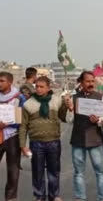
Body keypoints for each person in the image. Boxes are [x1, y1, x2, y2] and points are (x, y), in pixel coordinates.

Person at [19, 76, 67, 201]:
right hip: (36, 143)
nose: (38, 89)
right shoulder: (28, 104)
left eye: (42, 87)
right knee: (37, 171)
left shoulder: (57, 101)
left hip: (54, 142)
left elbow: (63, 117)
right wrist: (23, 145)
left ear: (48, 87)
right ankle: (39, 195)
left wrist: (67, 105)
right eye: (37, 87)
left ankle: (54, 195)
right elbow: (23, 126)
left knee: (54, 171)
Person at [65, 71, 103, 201]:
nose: (90, 84)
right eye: (87, 81)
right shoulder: (74, 98)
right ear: (81, 82)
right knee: (79, 172)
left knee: (100, 171)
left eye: (92, 81)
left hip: (95, 139)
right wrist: (70, 109)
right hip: (78, 139)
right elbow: (68, 120)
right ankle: (80, 197)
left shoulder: (100, 97)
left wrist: (99, 121)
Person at [0, 72, 25, 201]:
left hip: (12, 137)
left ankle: (10, 197)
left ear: (10, 82)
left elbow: (21, 119)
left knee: (13, 170)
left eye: (2, 81)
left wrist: (7, 124)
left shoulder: (19, 98)